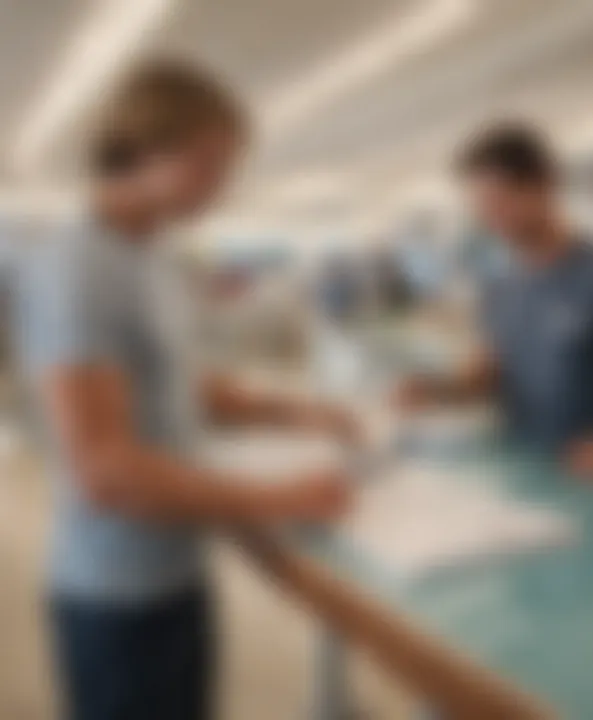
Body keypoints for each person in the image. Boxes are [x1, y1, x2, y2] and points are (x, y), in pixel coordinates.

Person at [15, 61, 356, 720]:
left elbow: (180, 385)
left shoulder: (152, 256)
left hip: (176, 571)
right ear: (142, 148)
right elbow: (105, 471)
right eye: (207, 165)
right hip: (116, 592)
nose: (221, 188)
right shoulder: (76, 267)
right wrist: (278, 500)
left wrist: (293, 411)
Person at [395, 122, 593, 477]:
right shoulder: (500, 287)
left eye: (500, 201)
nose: (490, 218)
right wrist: (435, 390)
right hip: (527, 470)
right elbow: (486, 377)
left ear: (545, 187)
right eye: (480, 206)